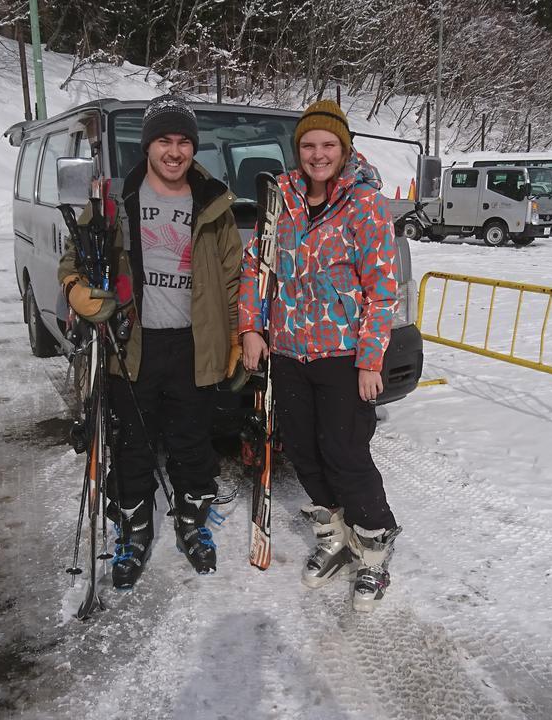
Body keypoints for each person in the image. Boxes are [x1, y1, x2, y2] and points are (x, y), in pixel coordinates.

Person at [59, 95, 244, 590]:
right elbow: (74, 261)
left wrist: (234, 337)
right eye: (164, 140)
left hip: (193, 346)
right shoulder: (116, 203)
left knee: (193, 445)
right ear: (147, 147)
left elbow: (232, 281)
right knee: (132, 446)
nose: (175, 151)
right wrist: (78, 291)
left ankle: (193, 526)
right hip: (132, 347)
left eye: (183, 141)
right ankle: (132, 532)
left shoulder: (215, 205)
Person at [238, 100, 402, 612]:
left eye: (328, 145)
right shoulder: (279, 203)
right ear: (298, 150)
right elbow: (256, 270)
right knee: (304, 453)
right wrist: (250, 327)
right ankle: (332, 538)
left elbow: (382, 290)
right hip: (288, 353)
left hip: (342, 355)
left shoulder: (365, 205)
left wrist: (371, 360)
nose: (317, 154)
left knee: (346, 454)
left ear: (344, 148)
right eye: (309, 145)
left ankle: (374, 551)